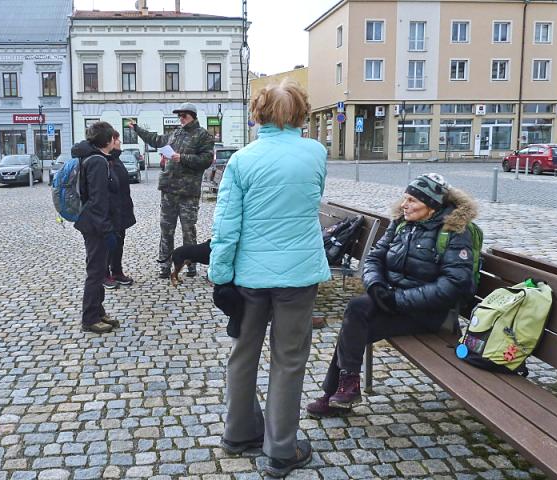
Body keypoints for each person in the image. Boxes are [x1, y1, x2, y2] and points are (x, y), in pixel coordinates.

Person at [208, 80, 331, 478]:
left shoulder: (242, 160)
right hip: (297, 275)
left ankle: (238, 432)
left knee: (243, 354)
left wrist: (220, 275)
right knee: (289, 360)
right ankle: (281, 448)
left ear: (257, 113)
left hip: (250, 276)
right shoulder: (316, 152)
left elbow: (226, 225)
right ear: (300, 113)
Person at [306, 173, 478, 418]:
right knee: (357, 310)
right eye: (405, 198)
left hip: (430, 313)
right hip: (395, 301)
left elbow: (453, 285)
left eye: (412, 200)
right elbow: (375, 256)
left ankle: (334, 394)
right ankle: (346, 386)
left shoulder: (453, 232)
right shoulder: (401, 224)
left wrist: (397, 300)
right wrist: (376, 285)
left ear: (431, 206)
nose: (404, 204)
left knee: (356, 325)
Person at [128, 104, 214, 279]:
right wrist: (137, 129)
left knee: (188, 229)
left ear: (193, 116)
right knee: (166, 229)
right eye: (179, 116)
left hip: (188, 192)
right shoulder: (176, 133)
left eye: (184, 116)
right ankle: (164, 265)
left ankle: (190, 266)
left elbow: (206, 159)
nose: (181, 118)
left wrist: (182, 158)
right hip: (169, 189)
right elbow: (156, 139)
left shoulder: (202, 135)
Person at [71, 121, 120, 334]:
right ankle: (90, 318)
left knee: (98, 269)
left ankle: (98, 311)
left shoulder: (91, 157)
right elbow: (99, 199)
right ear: (108, 140)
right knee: (95, 272)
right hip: (96, 225)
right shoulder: (97, 162)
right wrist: (106, 229)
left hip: (91, 222)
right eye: (113, 138)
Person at [103, 131, 136, 290]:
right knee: (108, 244)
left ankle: (116, 271)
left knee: (118, 243)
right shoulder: (104, 160)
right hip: (110, 212)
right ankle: (104, 274)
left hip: (121, 210)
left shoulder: (115, 159)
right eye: (116, 139)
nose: (119, 141)